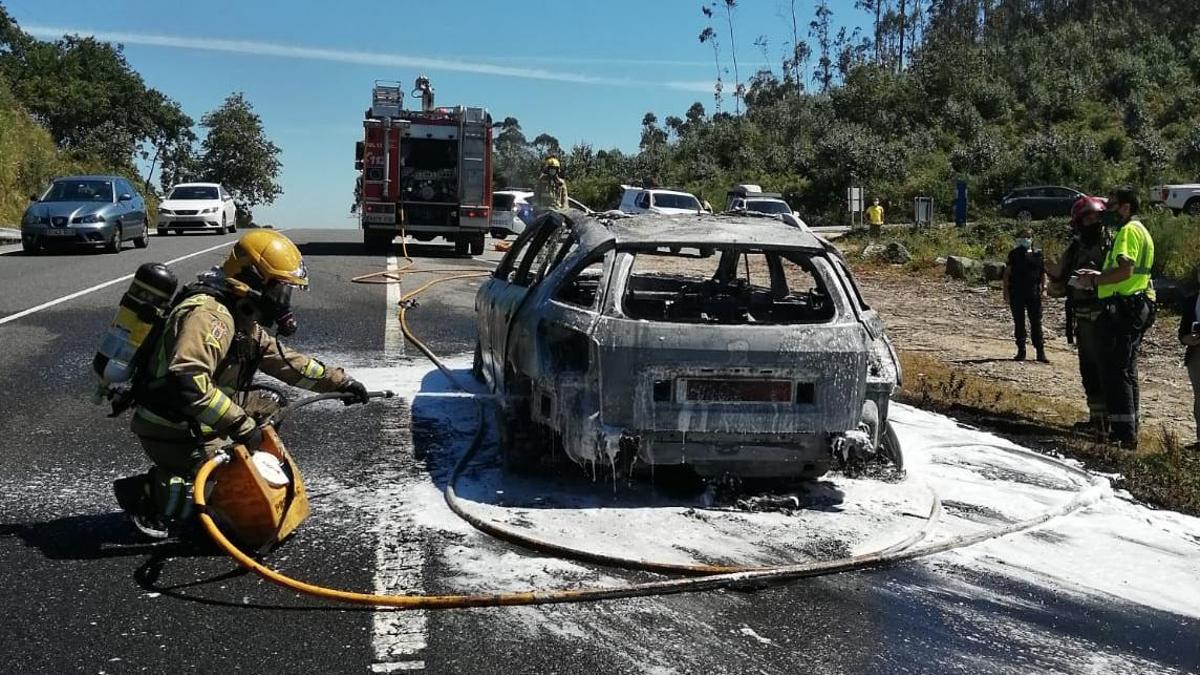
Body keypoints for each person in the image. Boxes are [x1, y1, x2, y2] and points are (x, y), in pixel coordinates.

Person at [113, 230, 370, 539]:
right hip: (173, 425)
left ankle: (222, 463)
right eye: (280, 291)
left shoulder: (240, 318)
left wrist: (341, 382)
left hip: (195, 416)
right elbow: (187, 383)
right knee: (235, 510)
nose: (283, 303)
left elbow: (285, 362)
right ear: (253, 280)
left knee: (270, 402)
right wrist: (242, 426)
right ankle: (150, 495)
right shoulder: (210, 317)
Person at [1076, 187, 1156, 448]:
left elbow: (1125, 270)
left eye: (1111, 205)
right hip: (1136, 305)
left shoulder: (1127, 232)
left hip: (1123, 307)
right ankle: (1130, 428)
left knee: (1114, 371)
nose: (1106, 211)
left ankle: (1123, 434)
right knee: (1127, 369)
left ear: (1125, 207)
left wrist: (1095, 279)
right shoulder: (1141, 231)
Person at [1049, 196, 1112, 433]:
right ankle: (1097, 420)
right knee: (1090, 370)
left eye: (1095, 217)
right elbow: (1059, 286)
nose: (1092, 222)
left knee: (1107, 369)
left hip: (1106, 315)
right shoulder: (1075, 248)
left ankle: (1112, 422)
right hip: (1083, 317)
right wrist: (1053, 274)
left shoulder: (1114, 245)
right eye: (1087, 218)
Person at [1003, 228, 1048, 363]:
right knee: (1019, 322)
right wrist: (1005, 291)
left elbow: (1043, 273)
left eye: (1028, 236)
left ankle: (1040, 351)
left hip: (1033, 292)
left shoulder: (1038, 254)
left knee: (1036, 322)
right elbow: (1007, 273)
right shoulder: (1014, 254)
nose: (1025, 239)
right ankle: (1021, 350)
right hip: (1017, 292)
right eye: (1023, 236)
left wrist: (1044, 288)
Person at [1178, 265, 1200, 451]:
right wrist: (1188, 339)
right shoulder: (1191, 300)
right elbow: (1182, 334)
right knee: (1199, 397)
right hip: (1196, 354)